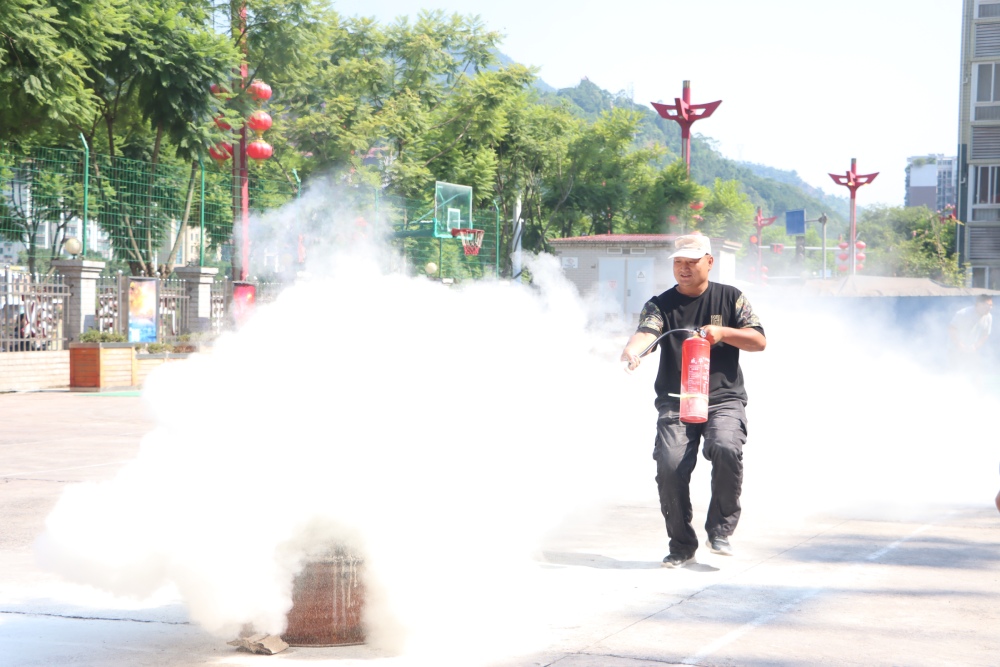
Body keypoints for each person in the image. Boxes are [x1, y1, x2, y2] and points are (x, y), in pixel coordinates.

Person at [620, 234, 766, 568]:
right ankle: (682, 545)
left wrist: (724, 333)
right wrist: (633, 349)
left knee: (726, 447)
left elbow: (758, 340)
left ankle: (720, 530)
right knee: (669, 467)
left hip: (723, 398)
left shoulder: (731, 298)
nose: (684, 269)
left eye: (692, 262)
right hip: (676, 400)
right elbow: (647, 332)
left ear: (709, 262)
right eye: (678, 263)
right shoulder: (660, 304)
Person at [948, 294, 993, 368]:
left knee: (975, 371)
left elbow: (986, 334)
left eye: (991, 305)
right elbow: (952, 328)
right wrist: (959, 344)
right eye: (987, 305)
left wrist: (975, 346)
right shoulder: (963, 313)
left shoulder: (989, 317)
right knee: (954, 371)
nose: (990, 308)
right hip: (955, 348)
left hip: (971, 349)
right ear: (978, 304)